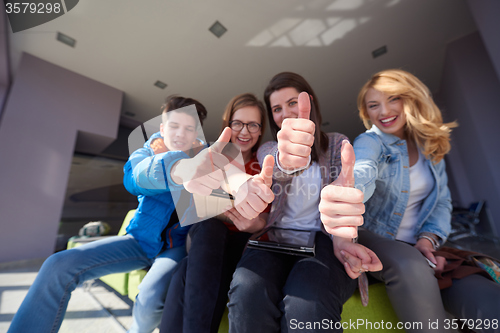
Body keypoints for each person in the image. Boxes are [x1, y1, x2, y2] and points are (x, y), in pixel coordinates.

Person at [7, 96, 233, 333]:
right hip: (138, 241)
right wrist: (176, 165)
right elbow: (134, 179)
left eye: (188, 128)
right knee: (57, 265)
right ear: (163, 128)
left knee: (149, 297)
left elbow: (224, 186)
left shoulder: (205, 157)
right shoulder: (146, 152)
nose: (180, 134)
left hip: (177, 247)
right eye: (174, 126)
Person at [320, 69, 500, 333]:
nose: (384, 111)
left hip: (421, 249)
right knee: (409, 262)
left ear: (410, 99)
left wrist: (427, 241)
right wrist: (348, 190)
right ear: (366, 113)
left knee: (488, 301)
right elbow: (363, 170)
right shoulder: (371, 142)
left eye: (393, 99)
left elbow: (441, 203)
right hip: (377, 239)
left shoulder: (429, 148)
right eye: (373, 105)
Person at [227, 72, 382, 333]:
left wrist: (344, 239)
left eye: (292, 102)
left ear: (310, 102)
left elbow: (346, 189)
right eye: (277, 108)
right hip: (275, 240)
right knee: (247, 291)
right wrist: (286, 160)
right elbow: (277, 164)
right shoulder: (267, 149)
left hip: (322, 240)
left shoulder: (336, 143)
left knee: (307, 302)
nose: (285, 112)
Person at [160, 93, 271, 333]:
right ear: (227, 126)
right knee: (210, 228)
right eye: (238, 123)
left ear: (261, 130)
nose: (244, 131)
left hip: (242, 244)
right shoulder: (209, 156)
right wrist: (229, 209)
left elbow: (267, 216)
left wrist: (256, 223)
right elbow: (198, 201)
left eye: (253, 124)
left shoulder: (264, 165)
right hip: (206, 239)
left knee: (184, 272)